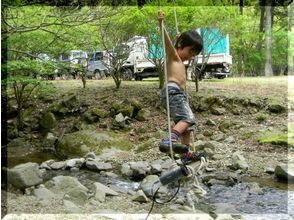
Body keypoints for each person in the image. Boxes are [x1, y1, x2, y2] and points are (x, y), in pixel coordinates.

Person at [157, 10, 203, 163]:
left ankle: (185, 154)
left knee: (186, 127)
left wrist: (180, 42)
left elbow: (181, 52)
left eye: (193, 55)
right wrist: (161, 24)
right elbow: (168, 45)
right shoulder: (173, 57)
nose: (191, 56)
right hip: (172, 91)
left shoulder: (180, 60)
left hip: (176, 94)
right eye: (190, 52)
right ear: (181, 45)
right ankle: (169, 140)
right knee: (188, 118)